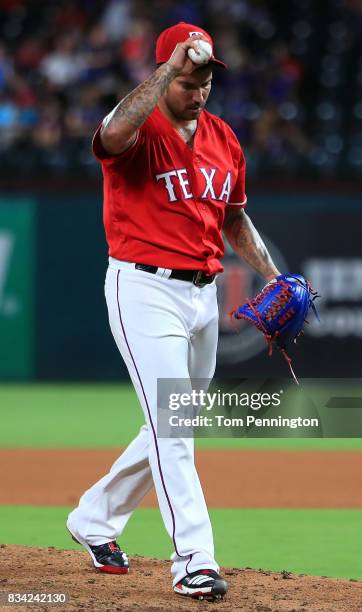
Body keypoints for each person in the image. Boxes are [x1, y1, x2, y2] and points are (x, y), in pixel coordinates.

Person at [67, 21, 281, 601]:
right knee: (173, 427)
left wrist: (272, 275)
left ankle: (95, 517)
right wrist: (166, 70)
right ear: (165, 74)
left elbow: (233, 217)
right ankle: (194, 559)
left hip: (203, 294)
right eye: (189, 77)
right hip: (143, 287)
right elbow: (111, 131)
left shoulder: (224, 139)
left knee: (175, 423)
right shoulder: (141, 131)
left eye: (207, 77)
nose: (200, 87)